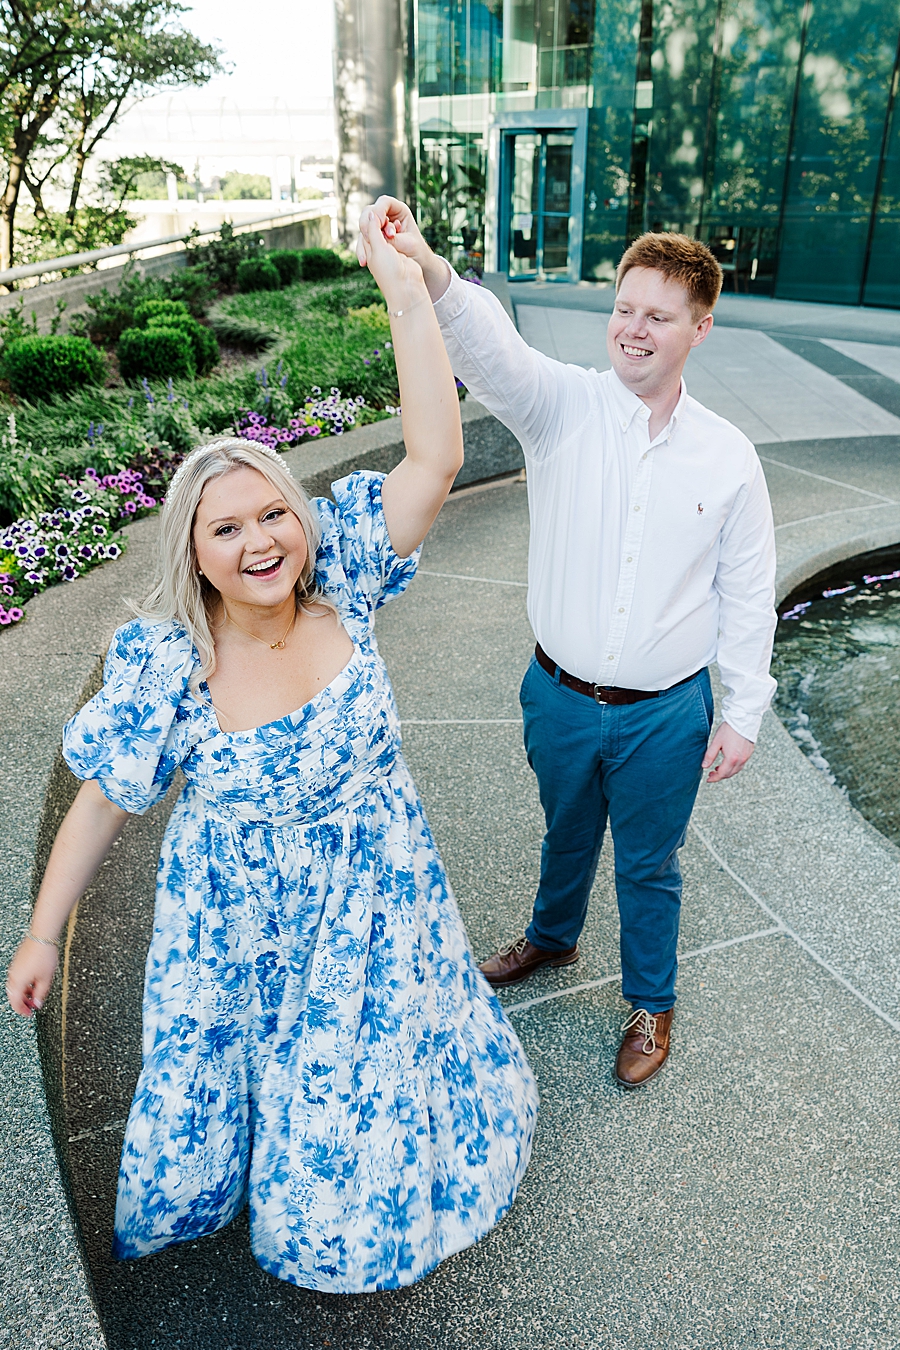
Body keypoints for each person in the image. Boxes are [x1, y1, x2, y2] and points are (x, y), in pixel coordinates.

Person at [5, 210, 537, 1292]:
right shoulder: (170, 669)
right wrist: (43, 937)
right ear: (195, 556)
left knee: (348, 1091)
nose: (259, 542)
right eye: (226, 529)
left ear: (300, 520)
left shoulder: (345, 574)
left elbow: (436, 453)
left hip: (380, 898)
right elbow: (101, 803)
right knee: (261, 1075)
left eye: (271, 515)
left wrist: (401, 284)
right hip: (242, 921)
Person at [361, 199, 777, 1089]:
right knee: (566, 830)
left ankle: (650, 1003)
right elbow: (486, 344)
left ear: (699, 329)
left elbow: (746, 593)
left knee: (648, 864)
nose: (632, 329)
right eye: (624, 309)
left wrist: (741, 712)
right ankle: (552, 937)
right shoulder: (562, 409)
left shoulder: (730, 457)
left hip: (667, 712)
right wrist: (427, 263)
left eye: (657, 316)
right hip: (557, 693)